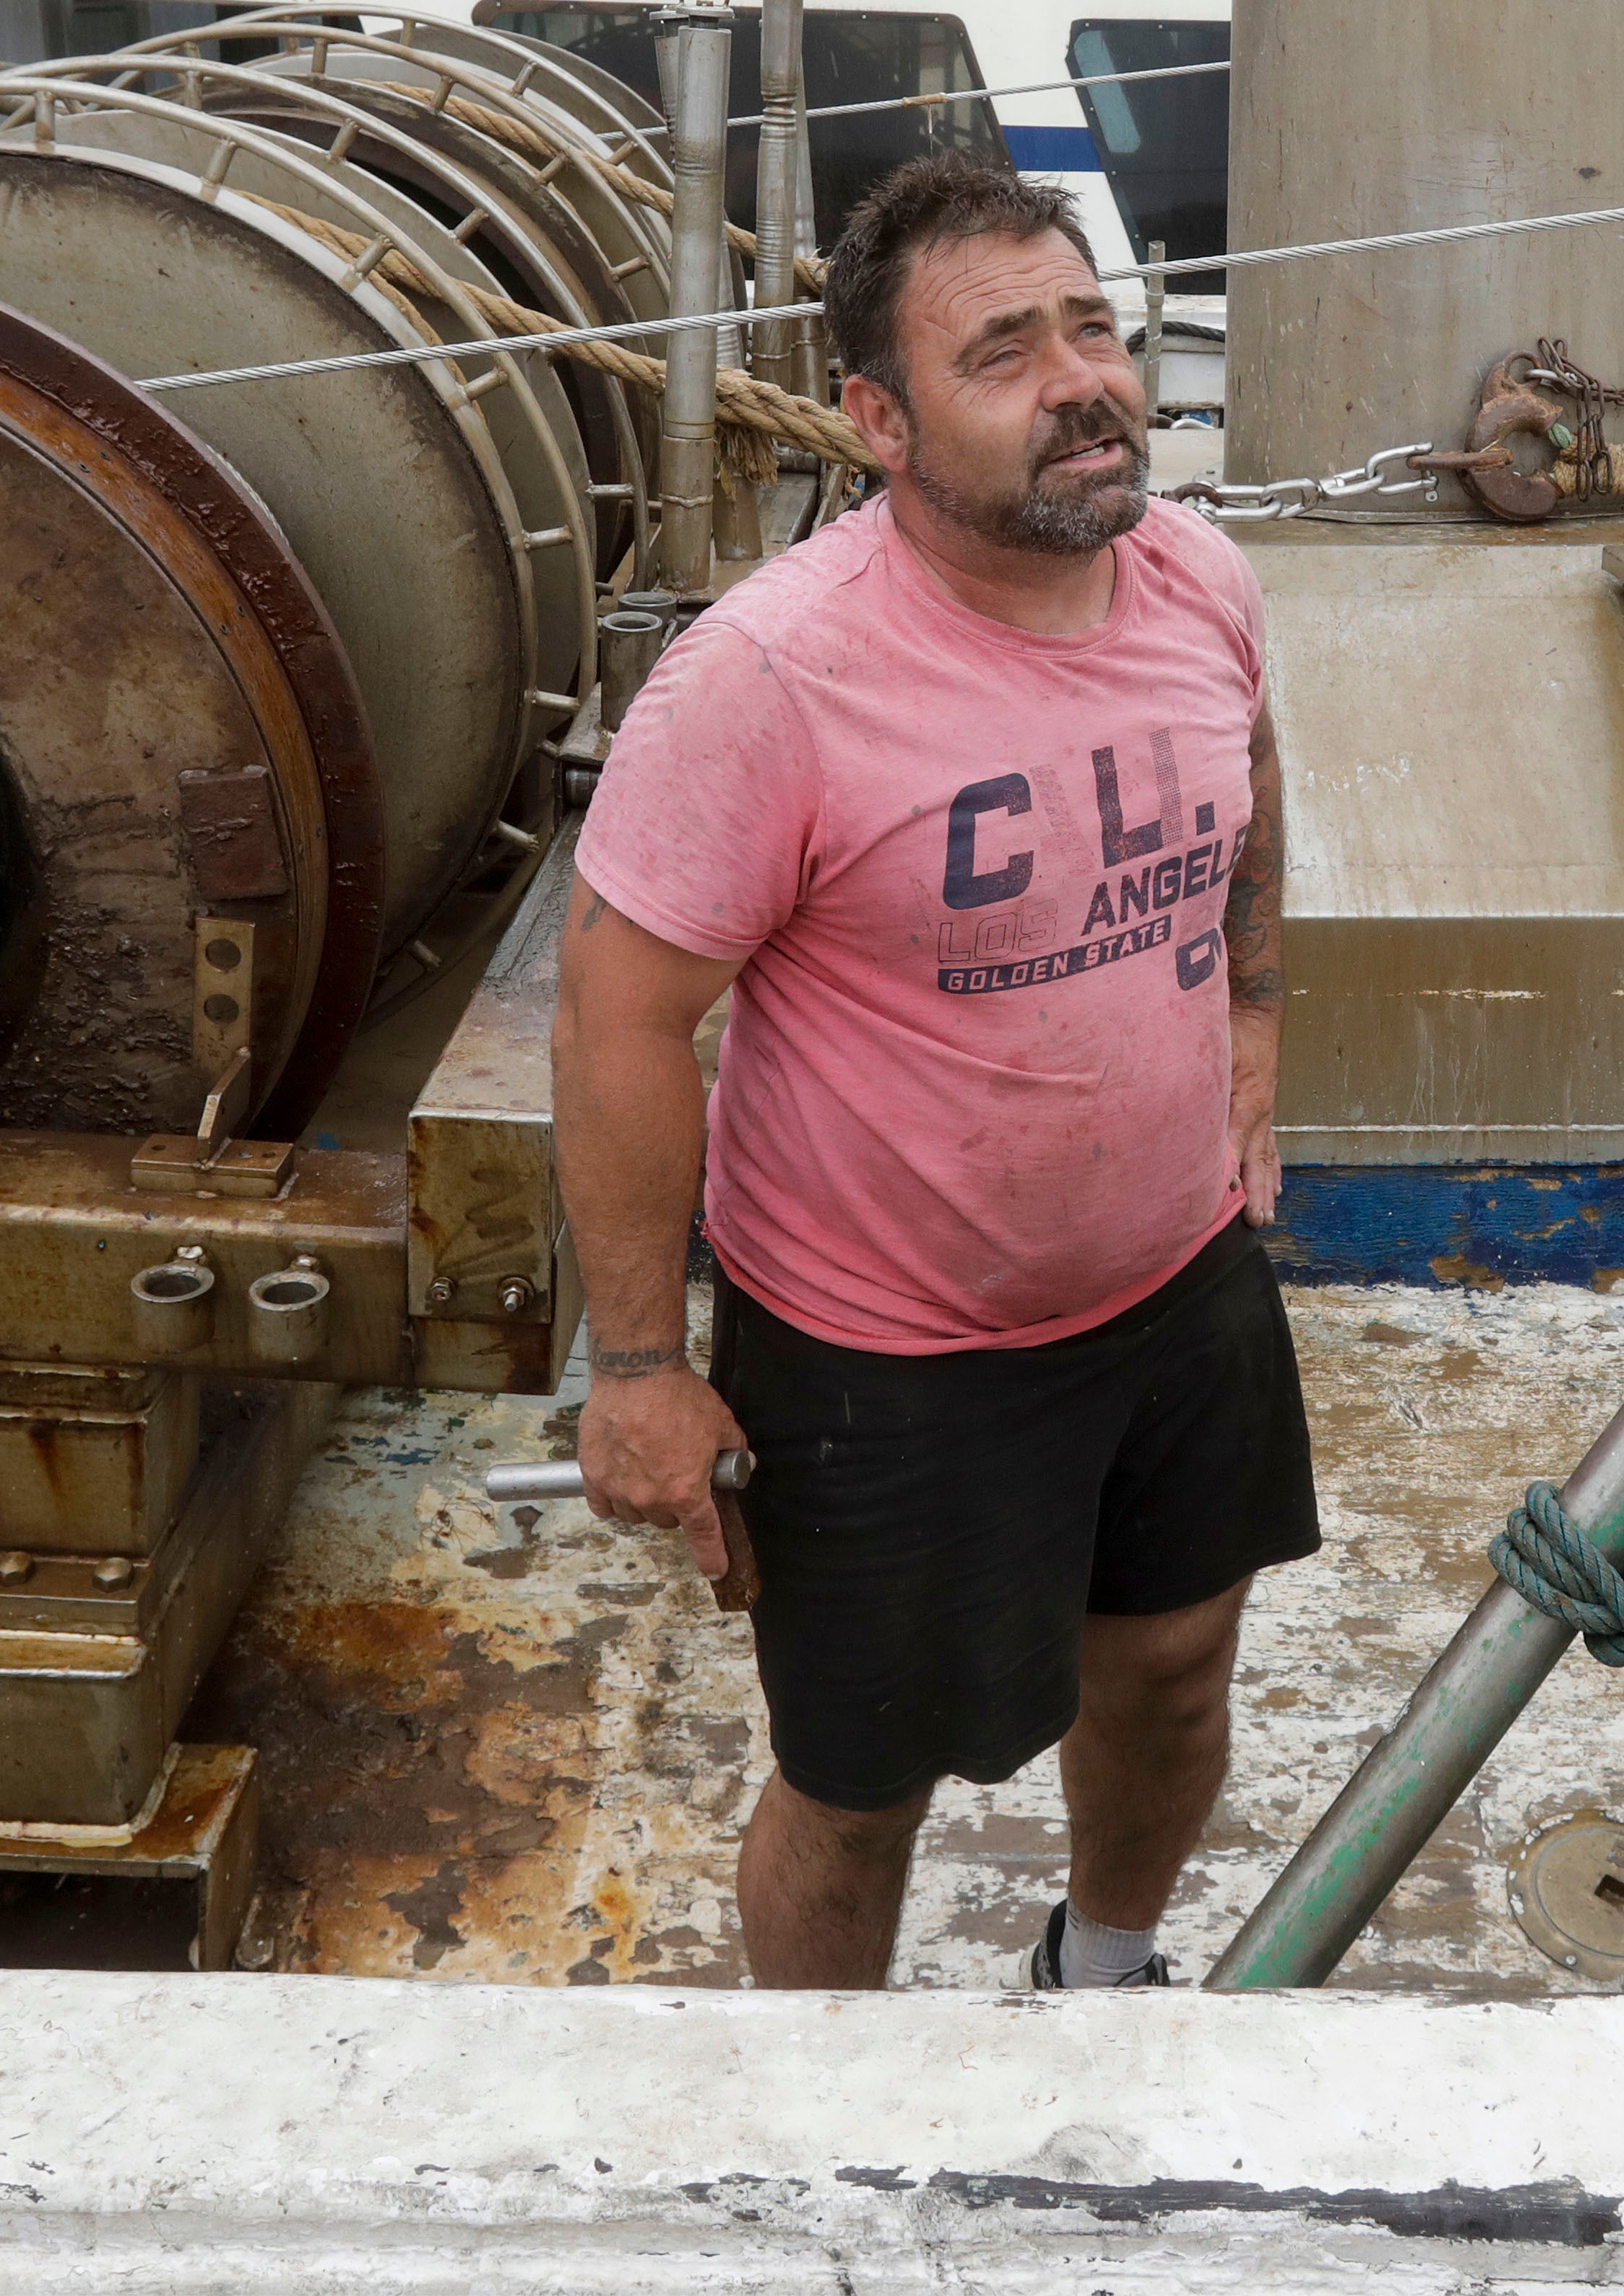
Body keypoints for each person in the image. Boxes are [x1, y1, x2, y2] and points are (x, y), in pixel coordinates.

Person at [553, 152, 1303, 1992]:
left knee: (1175, 1662)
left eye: (1093, 328)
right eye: (1004, 352)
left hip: (1176, 1282)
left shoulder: (1198, 578)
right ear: (878, 418)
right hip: (888, 1351)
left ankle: (1106, 1970)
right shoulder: (773, 677)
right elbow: (618, 1015)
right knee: (861, 1781)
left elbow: (1249, 790)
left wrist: (1257, 1028)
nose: (1083, 381)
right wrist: (641, 1369)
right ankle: (823, 2122)